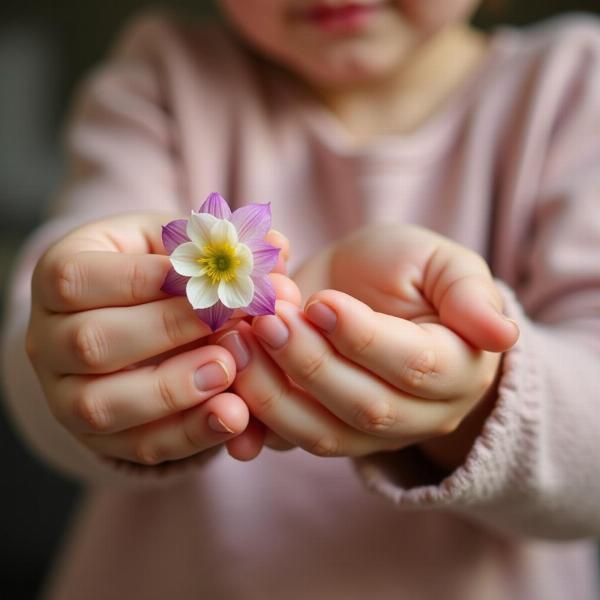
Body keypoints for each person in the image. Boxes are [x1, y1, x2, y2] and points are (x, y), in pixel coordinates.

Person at [2, 0, 600, 598]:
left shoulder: (574, 90)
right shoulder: (160, 81)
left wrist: (477, 398)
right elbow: (51, 332)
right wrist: (74, 356)